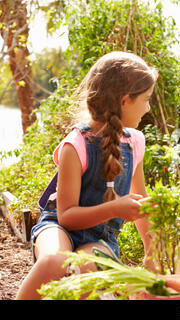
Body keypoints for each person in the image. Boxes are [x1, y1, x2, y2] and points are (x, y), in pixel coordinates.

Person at [16, 51, 159, 299]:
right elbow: (67, 216)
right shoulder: (76, 144)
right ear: (125, 101)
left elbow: (140, 201)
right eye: (146, 99)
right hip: (57, 227)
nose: (148, 108)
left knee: (87, 270)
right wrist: (115, 209)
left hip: (101, 237)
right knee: (55, 262)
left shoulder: (135, 142)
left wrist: (152, 253)